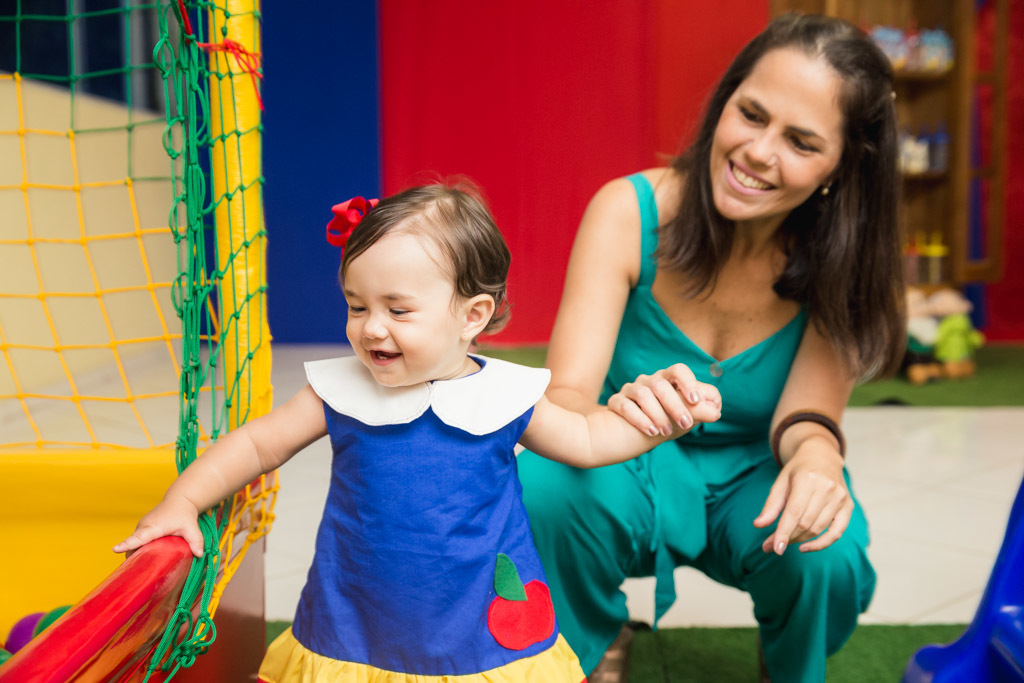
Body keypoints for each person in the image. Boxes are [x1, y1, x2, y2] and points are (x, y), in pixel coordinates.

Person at [113, 182, 722, 683]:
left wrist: (663, 421)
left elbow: (589, 444)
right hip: (357, 622)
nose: (372, 328)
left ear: (471, 315)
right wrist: (183, 501)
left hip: (479, 631)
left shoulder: (503, 394)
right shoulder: (343, 389)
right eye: (357, 306)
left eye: (398, 310)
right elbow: (255, 444)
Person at [516, 13, 905, 683]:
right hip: (622, 456)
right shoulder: (628, 211)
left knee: (828, 549)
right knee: (543, 484)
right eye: (751, 114)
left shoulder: (845, 257)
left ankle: (787, 663)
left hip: (752, 480)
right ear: (724, 100)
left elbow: (809, 418)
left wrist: (818, 459)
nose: (758, 151)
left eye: (801, 141)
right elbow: (565, 398)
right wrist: (614, 414)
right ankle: (589, 635)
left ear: (841, 167)